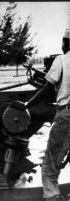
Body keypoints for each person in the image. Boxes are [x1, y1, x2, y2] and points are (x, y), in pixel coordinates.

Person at [16, 28, 70, 201]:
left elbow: (47, 90)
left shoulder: (62, 60)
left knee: (50, 165)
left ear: (65, 42)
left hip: (66, 116)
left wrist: (27, 105)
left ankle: (52, 197)